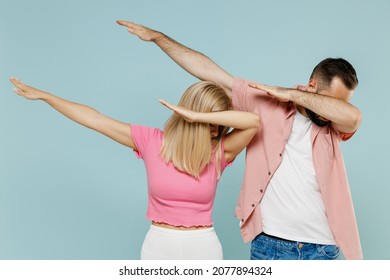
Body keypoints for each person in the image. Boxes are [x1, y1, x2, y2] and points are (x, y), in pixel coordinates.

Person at [116, 20, 363, 260]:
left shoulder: (334, 123)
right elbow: (210, 72)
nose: (331, 110)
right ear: (312, 86)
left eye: (339, 104)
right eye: (331, 101)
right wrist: (159, 38)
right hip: (270, 244)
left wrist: (290, 94)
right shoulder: (266, 104)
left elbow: (352, 117)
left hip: (321, 248)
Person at [9, 77, 260, 260]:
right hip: (159, 246)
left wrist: (199, 117)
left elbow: (253, 122)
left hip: (203, 247)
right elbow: (95, 119)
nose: (216, 129)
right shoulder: (151, 141)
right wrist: (47, 97)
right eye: (209, 120)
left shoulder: (219, 152)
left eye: (219, 120)